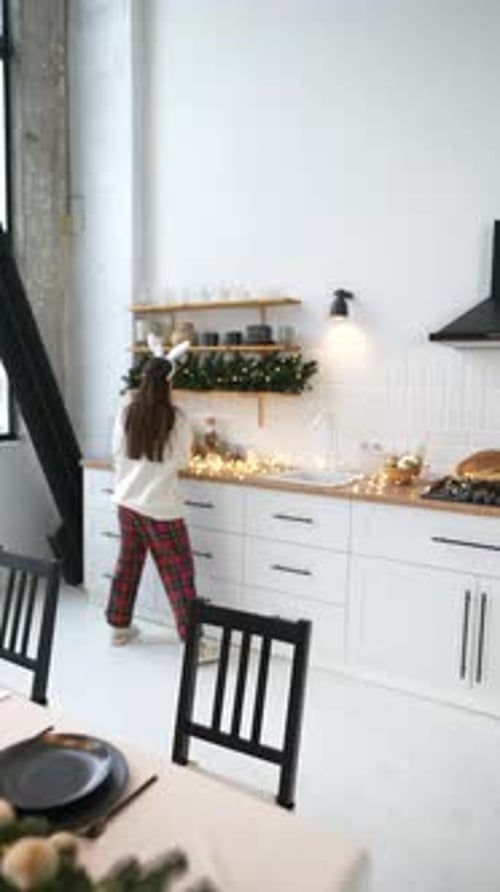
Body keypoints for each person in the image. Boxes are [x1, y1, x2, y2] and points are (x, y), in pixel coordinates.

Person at [105, 354, 219, 664]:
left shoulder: (126, 413)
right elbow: (182, 461)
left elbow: (117, 452)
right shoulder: (177, 419)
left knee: (127, 565)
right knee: (179, 574)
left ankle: (119, 627)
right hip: (161, 508)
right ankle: (194, 643)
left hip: (127, 503)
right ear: (169, 383)